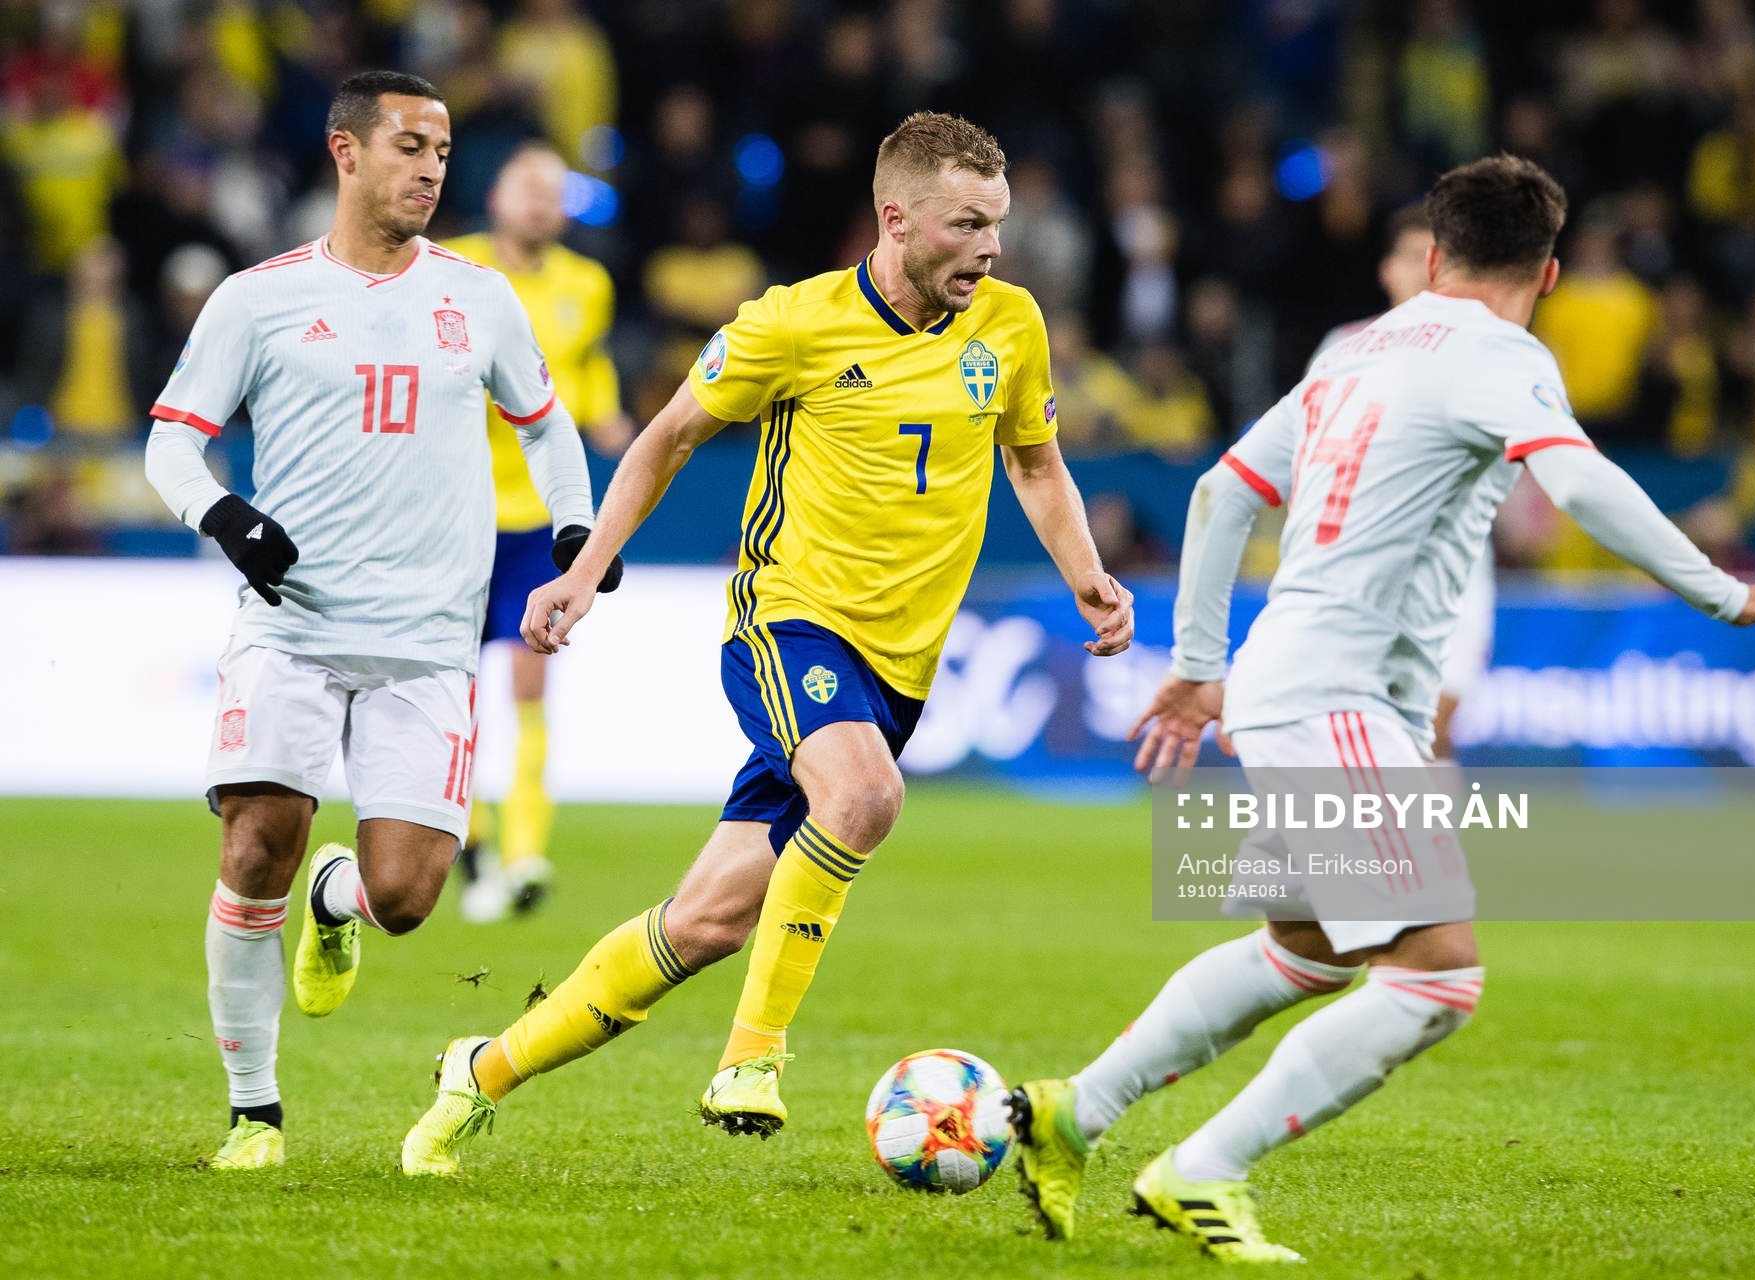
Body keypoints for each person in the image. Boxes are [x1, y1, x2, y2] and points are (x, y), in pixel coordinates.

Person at [1010, 154, 1755, 1262]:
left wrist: (1203, 664)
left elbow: (1219, 492)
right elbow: (1580, 483)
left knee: (1305, 948)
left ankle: (1077, 1109)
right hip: (1339, 692)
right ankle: (1199, 1169)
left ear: (1434, 253)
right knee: (1439, 974)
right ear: (1547, 273)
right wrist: (1729, 591)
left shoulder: (1360, 349)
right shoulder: (1506, 355)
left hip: (1294, 680)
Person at [400, 111, 1135, 1177]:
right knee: (867, 798)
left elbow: (1033, 462)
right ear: (897, 216)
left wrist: (1086, 576)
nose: (991, 247)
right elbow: (668, 436)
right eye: (969, 224)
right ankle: (751, 1056)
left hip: (901, 667)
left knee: (704, 923)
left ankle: (484, 1067)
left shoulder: (1010, 325)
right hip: (789, 623)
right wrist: (581, 569)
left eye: (998, 224)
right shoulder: (794, 323)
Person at [142, 70, 616, 1172]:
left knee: (405, 894)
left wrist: (575, 529)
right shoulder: (258, 297)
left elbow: (547, 426)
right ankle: (253, 1112)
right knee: (257, 838)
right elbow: (171, 438)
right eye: (410, 145)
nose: (432, 166)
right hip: (289, 625)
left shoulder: (481, 296)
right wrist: (226, 516)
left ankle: (335, 898)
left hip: (427, 640)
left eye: (443, 149)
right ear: (345, 153)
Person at [441, 143, 635, 923]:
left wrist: (605, 414)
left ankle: (524, 852)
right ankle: (471, 838)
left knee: (530, 680)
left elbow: (585, 367)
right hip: (452, 516)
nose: (541, 204)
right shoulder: (448, 270)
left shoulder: (588, 286)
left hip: (536, 523)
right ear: (496, 197)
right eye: (528, 188)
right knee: (451, 691)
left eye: (554, 193)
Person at [1312, 207, 1492, 759]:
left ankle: (1427, 847)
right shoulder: (1342, 349)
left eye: (1439, 260)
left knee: (1433, 729)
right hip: (1360, 569)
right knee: (1353, 736)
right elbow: (1312, 456)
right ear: (1387, 270)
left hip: (1451, 570)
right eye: (1415, 257)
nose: (1426, 271)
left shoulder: (1485, 350)